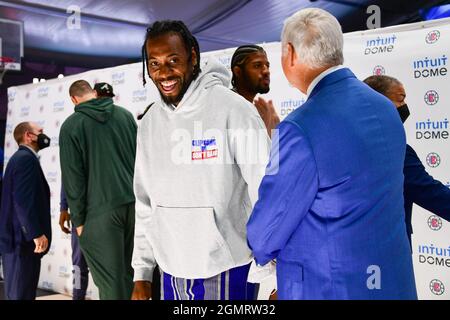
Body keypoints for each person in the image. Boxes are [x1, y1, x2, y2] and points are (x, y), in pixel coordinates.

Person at [247, 8, 417, 300]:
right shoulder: (386, 109)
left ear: (289, 53)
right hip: (392, 281)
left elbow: (265, 234)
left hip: (330, 286)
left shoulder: (300, 127)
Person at [131, 20, 270, 300]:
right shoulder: (149, 123)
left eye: (173, 60)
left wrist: (275, 273)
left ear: (193, 57)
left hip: (229, 268)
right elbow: (146, 203)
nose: (164, 73)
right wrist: (142, 272)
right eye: (154, 64)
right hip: (171, 270)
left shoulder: (235, 110)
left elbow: (267, 191)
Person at [59, 80, 137, 300]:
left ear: (73, 100)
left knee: (110, 282)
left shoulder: (71, 125)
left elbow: (73, 179)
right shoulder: (125, 116)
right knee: (129, 276)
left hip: (98, 212)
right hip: (133, 207)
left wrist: (79, 221)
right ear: (93, 93)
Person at [363, 75, 450, 246]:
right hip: (389, 250)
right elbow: (429, 192)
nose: (404, 107)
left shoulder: (343, 143)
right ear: (378, 101)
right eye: (400, 99)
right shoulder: (395, 151)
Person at [0, 122, 52, 300]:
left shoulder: (21, 158)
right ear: (28, 136)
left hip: (19, 242)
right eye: (40, 132)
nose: (44, 135)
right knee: (20, 294)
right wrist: (35, 233)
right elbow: (22, 201)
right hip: (21, 243)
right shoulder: (25, 159)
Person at [231, 45, 280, 137]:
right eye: (257, 66)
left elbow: (275, 150)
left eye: (267, 66)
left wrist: (274, 133)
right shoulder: (227, 108)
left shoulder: (256, 111)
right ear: (238, 72)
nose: (266, 71)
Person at [58, 183, 89, 300]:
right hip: (78, 218)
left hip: (101, 216)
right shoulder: (71, 165)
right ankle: (77, 297)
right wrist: (63, 208)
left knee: (106, 266)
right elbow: (67, 177)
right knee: (78, 266)